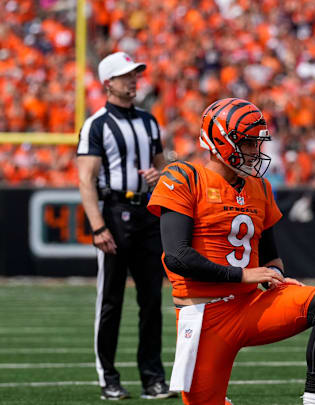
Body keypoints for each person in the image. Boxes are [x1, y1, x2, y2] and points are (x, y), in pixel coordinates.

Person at [147, 98, 315, 405]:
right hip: (205, 315)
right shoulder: (184, 177)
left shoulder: (259, 187)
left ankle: (314, 402)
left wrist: (276, 276)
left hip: (250, 305)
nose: (255, 151)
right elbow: (177, 256)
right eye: (248, 142)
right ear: (220, 141)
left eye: (256, 142)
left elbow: (271, 257)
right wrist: (243, 275)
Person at [77, 51, 174, 400]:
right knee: (111, 301)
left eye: (135, 74)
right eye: (125, 75)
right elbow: (85, 179)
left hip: (147, 211)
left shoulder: (149, 122)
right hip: (115, 213)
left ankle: (153, 377)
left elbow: (167, 164)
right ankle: (109, 377)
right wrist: (98, 226)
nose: (133, 80)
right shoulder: (97, 124)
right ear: (108, 82)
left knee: (151, 300)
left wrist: (161, 172)